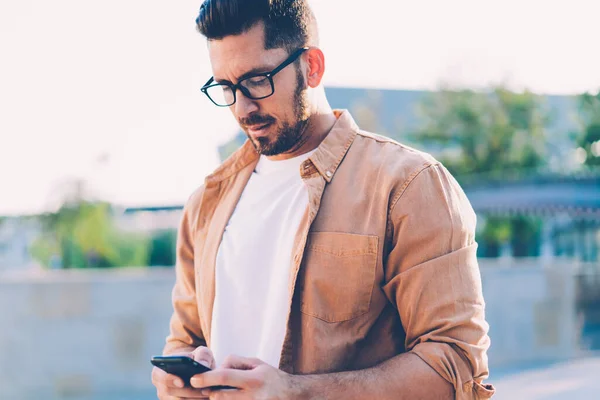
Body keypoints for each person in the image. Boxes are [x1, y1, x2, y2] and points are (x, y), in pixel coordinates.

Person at [151, 0, 495, 398]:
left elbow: (456, 365)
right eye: (226, 88)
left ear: (311, 67)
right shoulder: (206, 203)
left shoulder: (407, 185)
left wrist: (297, 393)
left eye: (257, 80)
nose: (243, 108)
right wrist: (175, 380)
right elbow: (184, 340)